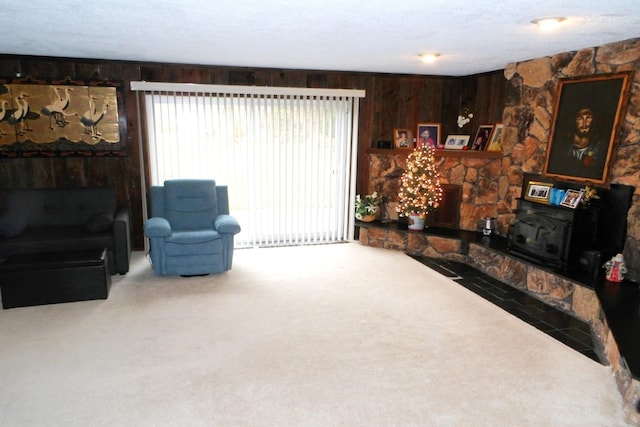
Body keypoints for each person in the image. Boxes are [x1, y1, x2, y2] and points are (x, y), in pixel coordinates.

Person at [552, 107, 607, 179]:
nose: (584, 124)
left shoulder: (601, 148)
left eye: (588, 118)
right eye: (580, 118)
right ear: (572, 120)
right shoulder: (560, 149)